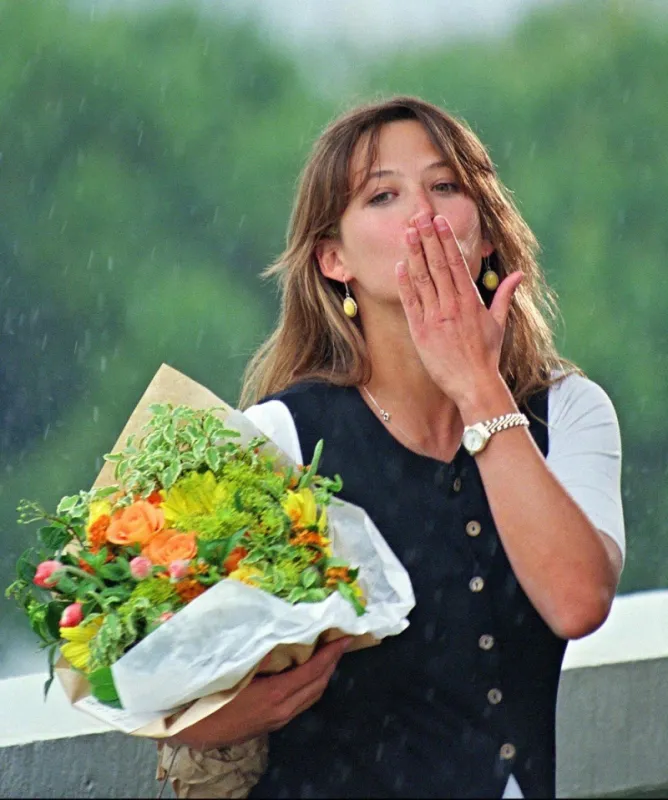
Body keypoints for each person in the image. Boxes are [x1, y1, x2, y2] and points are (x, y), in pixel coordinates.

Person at [160, 96, 625, 799]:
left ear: (486, 233)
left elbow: (577, 602)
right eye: (383, 194)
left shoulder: (570, 410)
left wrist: (479, 388)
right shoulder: (279, 441)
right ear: (333, 258)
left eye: (446, 186)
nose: (424, 213)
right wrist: (215, 717)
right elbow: (158, 669)